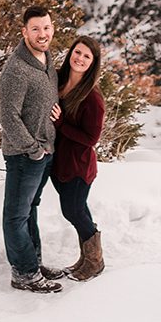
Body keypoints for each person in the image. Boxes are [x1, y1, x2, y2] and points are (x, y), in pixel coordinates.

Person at [0, 2, 65, 293]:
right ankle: (23, 273)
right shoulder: (16, 70)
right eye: (35, 29)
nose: (42, 34)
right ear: (24, 31)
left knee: (30, 209)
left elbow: (43, 101)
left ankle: (32, 263)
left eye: (46, 27)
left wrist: (56, 113)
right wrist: (32, 148)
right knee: (15, 215)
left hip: (44, 151)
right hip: (25, 155)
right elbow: (8, 117)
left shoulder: (47, 60)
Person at [51, 34, 106, 280]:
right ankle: (86, 259)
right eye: (77, 52)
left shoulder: (92, 97)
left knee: (72, 211)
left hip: (78, 165)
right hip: (59, 162)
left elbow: (91, 139)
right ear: (70, 52)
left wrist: (62, 124)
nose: (80, 58)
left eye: (87, 56)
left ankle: (95, 261)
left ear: (93, 63)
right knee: (77, 209)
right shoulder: (58, 80)